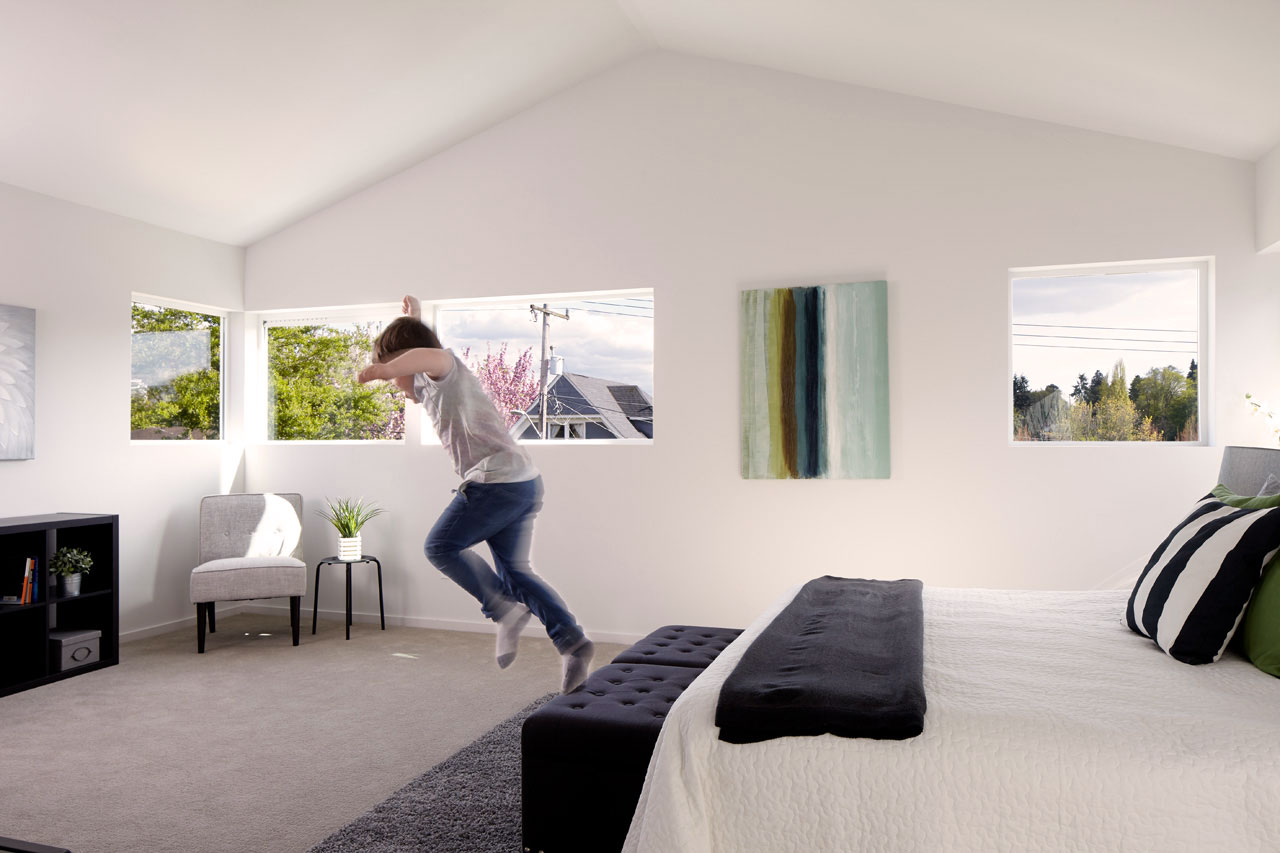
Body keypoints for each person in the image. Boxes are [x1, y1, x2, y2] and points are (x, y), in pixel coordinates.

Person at [357, 295, 595, 694]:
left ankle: (503, 610)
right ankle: (573, 644)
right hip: (520, 482)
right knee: (516, 573)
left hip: (496, 483)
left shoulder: (443, 368)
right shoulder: (429, 383)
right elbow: (418, 352)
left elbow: (426, 356)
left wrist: (382, 368)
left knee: (440, 547)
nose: (396, 384)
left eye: (397, 371)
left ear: (407, 359)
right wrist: (412, 319)